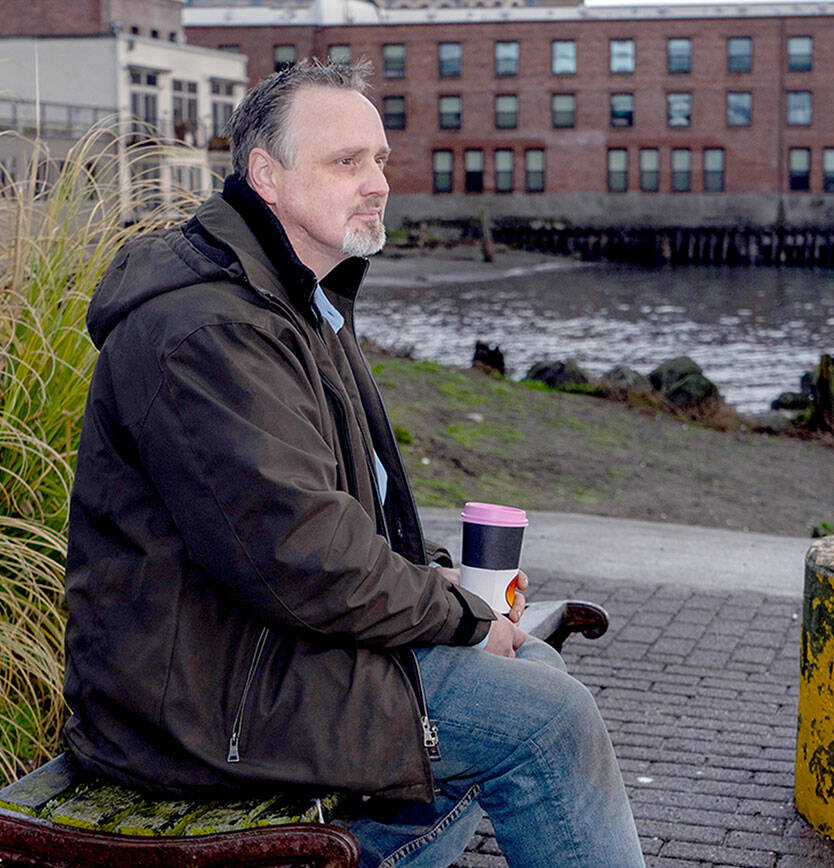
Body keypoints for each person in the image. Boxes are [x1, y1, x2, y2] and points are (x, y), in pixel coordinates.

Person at [61, 59, 645, 868]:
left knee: (534, 668)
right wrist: (465, 617)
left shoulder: (302, 301)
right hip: (203, 702)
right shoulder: (208, 332)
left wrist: (436, 584)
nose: (377, 183)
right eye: (346, 163)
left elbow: (332, 524)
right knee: (546, 719)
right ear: (266, 174)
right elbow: (300, 555)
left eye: (380, 161)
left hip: (263, 651)